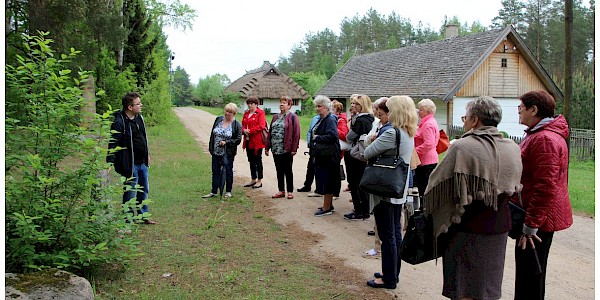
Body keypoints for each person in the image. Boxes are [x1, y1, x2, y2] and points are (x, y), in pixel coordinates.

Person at [424, 96, 523, 300]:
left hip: (466, 229)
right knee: (487, 288)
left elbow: (437, 185)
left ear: (475, 120)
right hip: (498, 228)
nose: (464, 122)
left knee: (463, 290)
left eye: (465, 117)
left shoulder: (462, 147)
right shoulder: (513, 147)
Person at [513, 90, 573, 300]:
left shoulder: (544, 139)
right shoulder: (540, 135)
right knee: (529, 274)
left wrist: (530, 226)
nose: (519, 111)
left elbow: (545, 187)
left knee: (530, 277)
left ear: (534, 109)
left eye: (521, 107)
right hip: (537, 218)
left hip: (537, 222)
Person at [364, 95, 417, 289]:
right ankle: (392, 272)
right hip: (397, 189)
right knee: (394, 233)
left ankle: (389, 278)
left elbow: (366, 152)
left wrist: (370, 139)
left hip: (385, 189)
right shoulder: (407, 132)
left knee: (388, 235)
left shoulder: (392, 133)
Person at [107, 92, 156, 224]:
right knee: (130, 191)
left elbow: (143, 138)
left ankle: (143, 216)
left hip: (142, 163)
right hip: (129, 163)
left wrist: (147, 154)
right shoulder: (119, 122)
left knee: (144, 190)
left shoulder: (140, 118)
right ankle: (127, 219)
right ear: (130, 107)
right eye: (138, 104)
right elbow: (113, 143)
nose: (141, 105)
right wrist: (109, 162)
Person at [202, 103, 243, 199]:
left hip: (227, 152)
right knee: (215, 171)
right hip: (216, 151)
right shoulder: (218, 119)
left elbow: (238, 139)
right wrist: (211, 147)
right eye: (226, 111)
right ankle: (214, 191)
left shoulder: (237, 124)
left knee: (228, 171)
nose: (227, 113)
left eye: (230, 112)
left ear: (234, 113)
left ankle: (228, 191)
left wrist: (227, 142)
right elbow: (213, 134)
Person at [343, 94, 374, 220]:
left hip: (356, 154)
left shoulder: (360, 120)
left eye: (356, 104)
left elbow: (349, 137)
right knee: (362, 182)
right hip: (364, 154)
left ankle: (358, 211)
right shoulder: (371, 119)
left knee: (354, 182)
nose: (353, 106)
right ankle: (365, 210)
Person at [310, 95, 342, 216]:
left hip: (329, 156)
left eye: (319, 106)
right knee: (324, 179)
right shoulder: (322, 119)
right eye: (316, 106)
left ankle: (326, 207)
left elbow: (333, 136)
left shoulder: (330, 119)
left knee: (328, 180)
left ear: (326, 107)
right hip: (323, 155)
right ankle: (328, 205)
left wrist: (318, 138)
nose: (317, 109)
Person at [265, 96, 300, 199]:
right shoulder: (275, 117)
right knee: (279, 170)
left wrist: (294, 148)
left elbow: (296, 134)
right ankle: (281, 190)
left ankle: (290, 191)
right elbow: (270, 132)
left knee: (288, 170)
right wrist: (267, 147)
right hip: (276, 148)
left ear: (289, 106)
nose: (281, 104)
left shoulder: (293, 117)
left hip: (287, 148)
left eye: (284, 103)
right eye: (281, 102)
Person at [414, 98, 440, 203]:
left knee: (424, 188)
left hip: (426, 162)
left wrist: (415, 152)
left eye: (421, 110)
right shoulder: (427, 122)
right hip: (426, 160)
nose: (418, 111)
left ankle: (424, 211)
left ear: (428, 112)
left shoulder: (428, 124)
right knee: (423, 188)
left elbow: (429, 144)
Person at [241, 96, 266, 189]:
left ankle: (259, 180)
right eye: (248, 104)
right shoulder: (246, 113)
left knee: (258, 160)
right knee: (251, 160)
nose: (250, 105)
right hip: (247, 141)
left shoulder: (260, 113)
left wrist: (250, 131)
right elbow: (242, 125)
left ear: (256, 104)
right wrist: (244, 130)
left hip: (257, 142)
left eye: (252, 104)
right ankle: (253, 178)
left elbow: (261, 126)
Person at [297, 113, 320, 195]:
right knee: (310, 167)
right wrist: (309, 143)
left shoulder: (329, 119)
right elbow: (310, 131)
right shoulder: (315, 118)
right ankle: (307, 186)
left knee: (318, 168)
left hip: (321, 147)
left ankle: (319, 189)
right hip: (313, 147)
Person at [332, 100, 349, 201]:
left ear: (337, 111)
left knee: (335, 171)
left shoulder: (341, 120)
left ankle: (335, 192)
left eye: (332, 109)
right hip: (334, 148)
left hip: (338, 149)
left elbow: (344, 134)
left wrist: (333, 128)